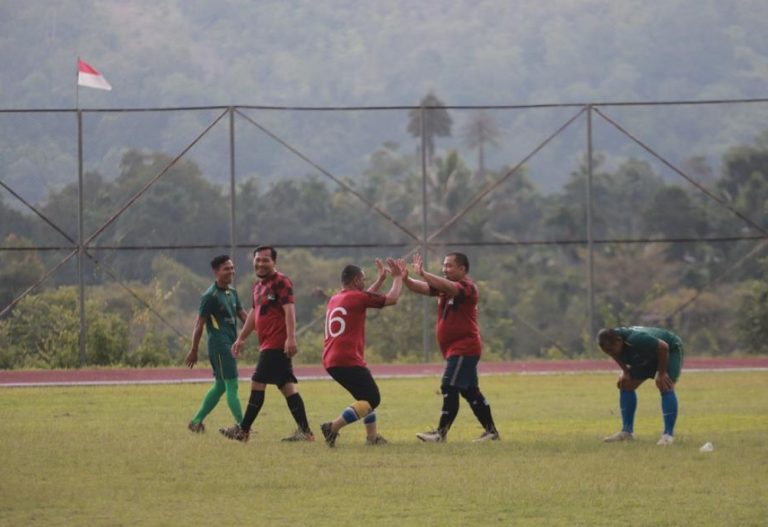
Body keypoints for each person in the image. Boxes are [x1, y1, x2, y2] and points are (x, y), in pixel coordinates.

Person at [219, 246, 313, 443]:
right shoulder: (258, 285)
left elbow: (289, 311)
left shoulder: (282, 282)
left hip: (277, 344)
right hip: (267, 343)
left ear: (274, 262)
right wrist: (241, 337)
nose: (261, 263)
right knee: (287, 387)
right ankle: (305, 432)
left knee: (257, 382)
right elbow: (254, 314)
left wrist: (291, 338)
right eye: (258, 260)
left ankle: (243, 431)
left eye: (265, 260)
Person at [403, 251, 499, 442]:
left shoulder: (467, 287)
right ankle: (492, 433)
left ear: (462, 269)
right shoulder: (443, 288)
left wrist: (423, 273)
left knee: (449, 385)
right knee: (470, 391)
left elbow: (449, 287)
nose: (445, 269)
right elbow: (422, 288)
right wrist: (405, 279)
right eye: (444, 265)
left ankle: (440, 433)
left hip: (465, 348)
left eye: (449, 266)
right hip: (457, 350)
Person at [319, 258, 405, 448]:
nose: (365, 283)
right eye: (364, 280)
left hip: (331, 359)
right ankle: (332, 427)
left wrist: (381, 280)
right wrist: (397, 278)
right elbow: (392, 299)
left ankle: (372, 438)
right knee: (373, 399)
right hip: (346, 359)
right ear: (357, 280)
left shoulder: (336, 298)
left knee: (364, 399)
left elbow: (364, 297)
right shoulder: (357, 297)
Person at [185, 255, 247, 433]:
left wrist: (261, 328)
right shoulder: (210, 296)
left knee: (221, 386)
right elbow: (199, 324)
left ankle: (196, 422)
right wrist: (194, 349)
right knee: (232, 385)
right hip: (220, 346)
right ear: (216, 272)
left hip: (230, 343)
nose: (231, 272)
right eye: (226, 268)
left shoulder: (232, 292)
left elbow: (243, 315)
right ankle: (243, 427)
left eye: (232, 268)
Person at [597, 326, 684, 445]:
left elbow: (663, 347)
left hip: (669, 349)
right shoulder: (611, 341)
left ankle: (668, 434)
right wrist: (626, 372)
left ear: (619, 340)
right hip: (647, 354)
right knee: (625, 384)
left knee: (664, 384)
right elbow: (615, 354)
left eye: (611, 350)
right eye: (607, 352)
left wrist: (662, 373)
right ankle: (627, 432)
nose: (610, 353)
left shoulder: (636, 339)